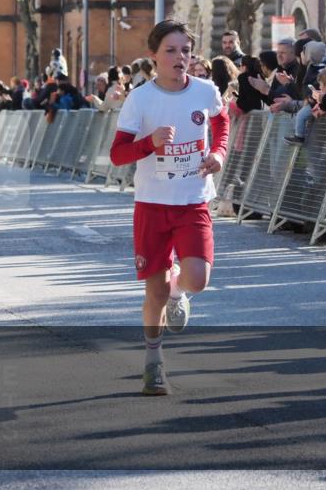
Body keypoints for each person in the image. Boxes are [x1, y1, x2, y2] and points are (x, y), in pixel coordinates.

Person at [108, 20, 229, 396]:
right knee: (154, 292)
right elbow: (117, 155)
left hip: (192, 201)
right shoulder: (140, 99)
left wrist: (218, 153)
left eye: (186, 51)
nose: (180, 58)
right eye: (172, 51)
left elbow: (221, 122)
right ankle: (153, 362)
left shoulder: (206, 91)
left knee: (197, 279)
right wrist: (149, 143)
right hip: (152, 204)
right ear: (154, 57)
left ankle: (181, 291)